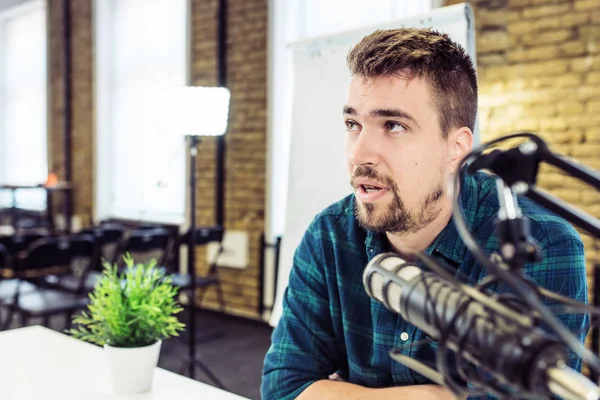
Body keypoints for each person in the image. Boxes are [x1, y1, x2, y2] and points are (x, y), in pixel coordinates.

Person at [261, 28, 590, 400]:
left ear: (457, 148)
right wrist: (450, 394)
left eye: (394, 126)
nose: (360, 153)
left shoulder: (540, 243)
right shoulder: (329, 235)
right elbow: (283, 386)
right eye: (353, 124)